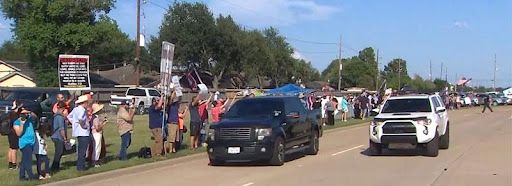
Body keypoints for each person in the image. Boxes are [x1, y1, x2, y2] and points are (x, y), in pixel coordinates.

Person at [13, 107, 36, 181]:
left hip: (31, 142)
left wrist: (29, 112)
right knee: (28, 161)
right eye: (23, 113)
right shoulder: (17, 122)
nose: (25, 115)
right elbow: (19, 133)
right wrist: (22, 124)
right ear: (19, 114)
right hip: (25, 143)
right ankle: (31, 176)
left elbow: (35, 116)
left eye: (26, 113)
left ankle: (22, 176)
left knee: (24, 160)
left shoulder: (29, 118)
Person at [67, 95, 90, 171]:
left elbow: (69, 116)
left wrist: (74, 123)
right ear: (84, 103)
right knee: (83, 151)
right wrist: (83, 126)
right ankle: (81, 167)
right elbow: (80, 119)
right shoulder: (82, 110)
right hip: (83, 132)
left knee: (80, 150)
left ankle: (79, 166)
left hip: (78, 132)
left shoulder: (75, 109)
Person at [51, 101, 67, 171]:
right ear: (63, 108)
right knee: (59, 152)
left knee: (58, 152)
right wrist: (65, 138)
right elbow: (61, 129)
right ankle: (54, 167)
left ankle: (55, 166)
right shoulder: (60, 117)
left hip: (54, 135)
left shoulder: (55, 115)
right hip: (58, 136)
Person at [7, 100, 22, 170]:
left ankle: (10, 163)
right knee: (14, 148)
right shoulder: (15, 114)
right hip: (14, 132)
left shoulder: (10, 113)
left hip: (10, 132)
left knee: (11, 147)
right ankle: (14, 164)